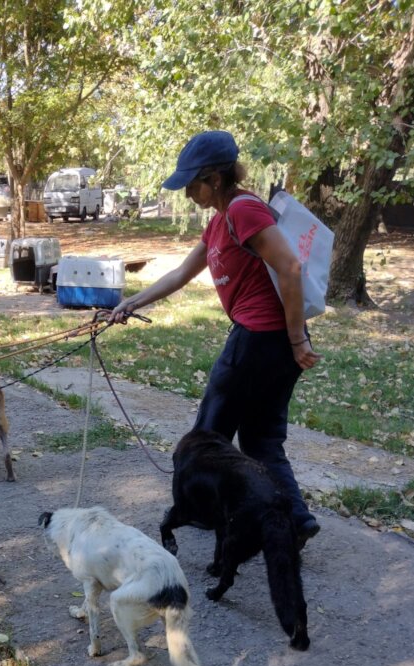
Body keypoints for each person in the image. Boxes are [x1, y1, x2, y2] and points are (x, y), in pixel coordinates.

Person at [109, 129, 321, 546]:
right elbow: (180, 274)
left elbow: (291, 268)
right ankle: (295, 519)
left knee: (206, 436)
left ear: (216, 179)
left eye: (192, 183)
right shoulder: (221, 222)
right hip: (270, 342)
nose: (188, 192)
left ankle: (200, 512)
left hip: (260, 339)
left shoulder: (244, 210)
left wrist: (297, 340)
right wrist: (132, 302)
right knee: (261, 439)